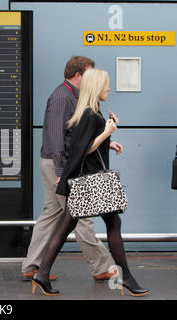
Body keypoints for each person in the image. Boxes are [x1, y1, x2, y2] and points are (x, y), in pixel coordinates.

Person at [32, 68, 149, 297]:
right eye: (105, 84)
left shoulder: (89, 111)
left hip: (85, 182)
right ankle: (126, 277)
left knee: (66, 227)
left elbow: (84, 144)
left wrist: (108, 139)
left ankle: (42, 274)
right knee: (113, 225)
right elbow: (85, 148)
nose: (108, 88)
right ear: (96, 87)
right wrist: (107, 132)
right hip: (92, 182)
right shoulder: (90, 114)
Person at [22, 56, 116, 281]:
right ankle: (102, 266)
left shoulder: (72, 97)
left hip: (59, 163)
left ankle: (32, 265)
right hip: (60, 164)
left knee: (52, 213)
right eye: (90, 74)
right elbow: (55, 138)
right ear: (78, 76)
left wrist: (106, 143)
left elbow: (73, 137)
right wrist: (61, 171)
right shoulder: (62, 98)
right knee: (82, 215)